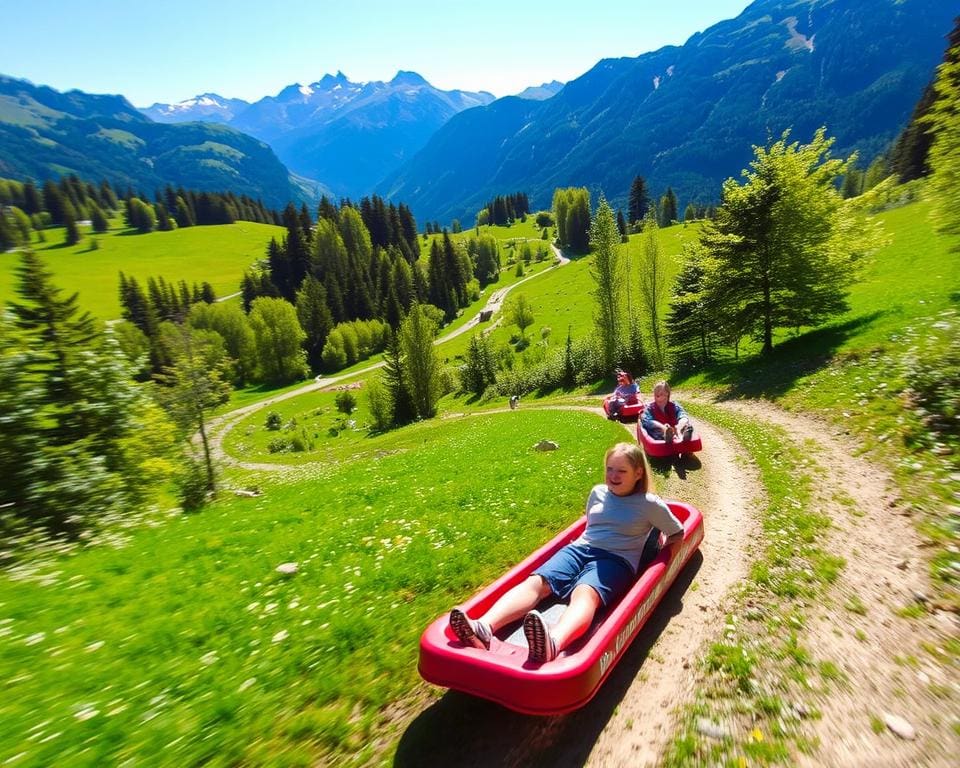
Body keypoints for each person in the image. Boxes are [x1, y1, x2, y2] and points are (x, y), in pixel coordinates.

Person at [448, 442, 684, 663]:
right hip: (580, 548)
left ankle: (553, 642)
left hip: (617, 560)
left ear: (638, 473)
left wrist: (661, 557)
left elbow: (676, 531)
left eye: (621, 471)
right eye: (609, 469)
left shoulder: (649, 503)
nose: (613, 476)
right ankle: (483, 628)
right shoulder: (598, 492)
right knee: (537, 582)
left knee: (584, 593)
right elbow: (591, 525)